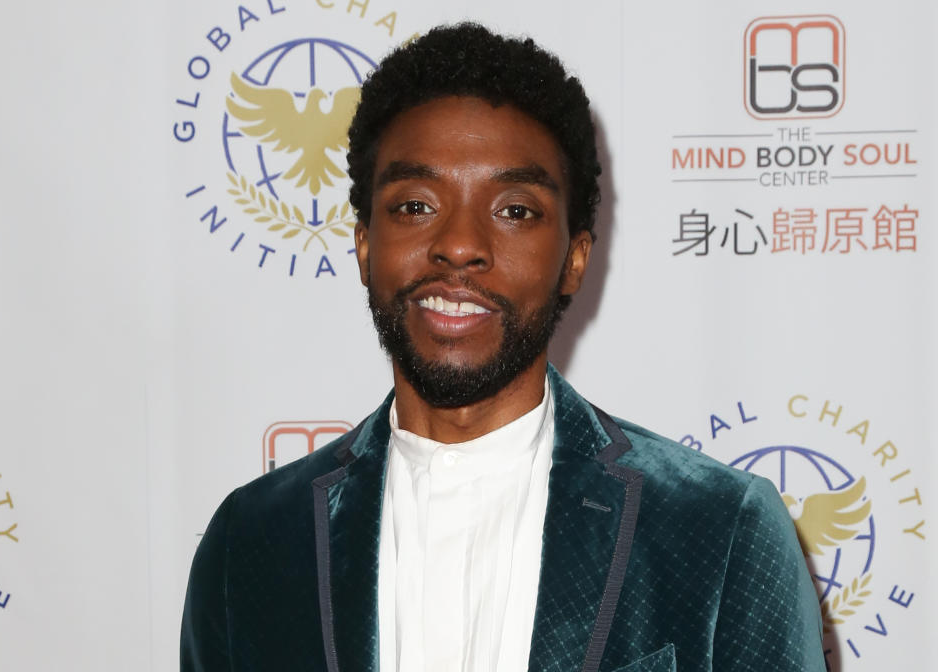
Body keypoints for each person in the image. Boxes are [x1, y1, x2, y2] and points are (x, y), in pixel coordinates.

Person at [181, 23, 825, 672]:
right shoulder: (255, 540)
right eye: (414, 205)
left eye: (515, 210)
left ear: (574, 258)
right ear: (365, 246)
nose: (460, 244)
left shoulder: (715, 529)